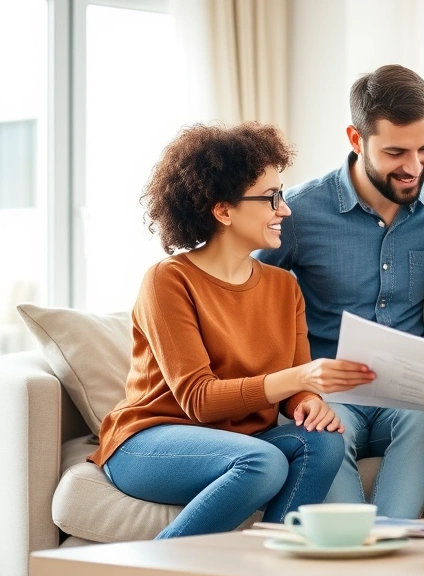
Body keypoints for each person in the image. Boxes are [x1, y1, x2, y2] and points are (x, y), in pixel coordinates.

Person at [90, 122, 350, 539]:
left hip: (245, 440)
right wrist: (299, 379)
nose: (285, 209)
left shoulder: (285, 288)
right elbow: (199, 400)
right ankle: (150, 569)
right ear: (223, 210)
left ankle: (268, 567)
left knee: (323, 443)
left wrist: (307, 400)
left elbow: (296, 388)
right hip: (148, 442)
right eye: (271, 198)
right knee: (262, 464)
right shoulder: (168, 280)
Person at [255, 65, 424, 518]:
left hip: (409, 399)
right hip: (330, 399)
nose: (413, 166)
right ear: (355, 138)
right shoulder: (300, 215)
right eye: (395, 152)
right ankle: (352, 552)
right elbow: (249, 300)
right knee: (323, 435)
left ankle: (390, 548)